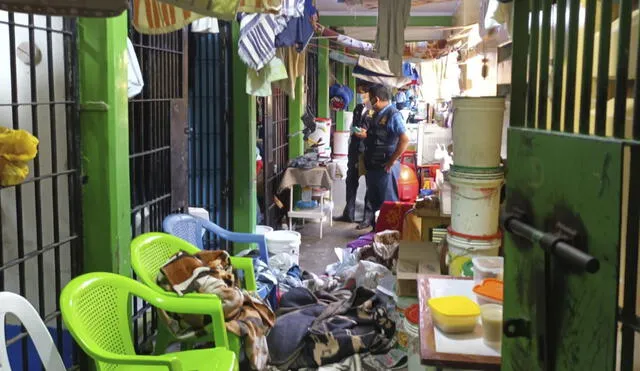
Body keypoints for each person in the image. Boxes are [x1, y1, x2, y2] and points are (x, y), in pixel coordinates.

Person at [362, 84, 410, 228]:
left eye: (370, 99)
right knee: (375, 204)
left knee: (388, 207)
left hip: (386, 169)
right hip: (373, 167)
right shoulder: (376, 114)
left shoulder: (393, 114)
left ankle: (389, 238)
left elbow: (405, 139)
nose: (369, 102)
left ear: (376, 99)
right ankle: (376, 236)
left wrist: (391, 161)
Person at [334, 84, 374, 228]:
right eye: (359, 93)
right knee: (351, 181)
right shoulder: (358, 108)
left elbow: (375, 133)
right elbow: (354, 125)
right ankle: (348, 213)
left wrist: (365, 134)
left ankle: (367, 218)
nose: (360, 95)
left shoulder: (374, 111)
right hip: (354, 149)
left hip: (367, 151)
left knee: (369, 183)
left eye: (362, 92)